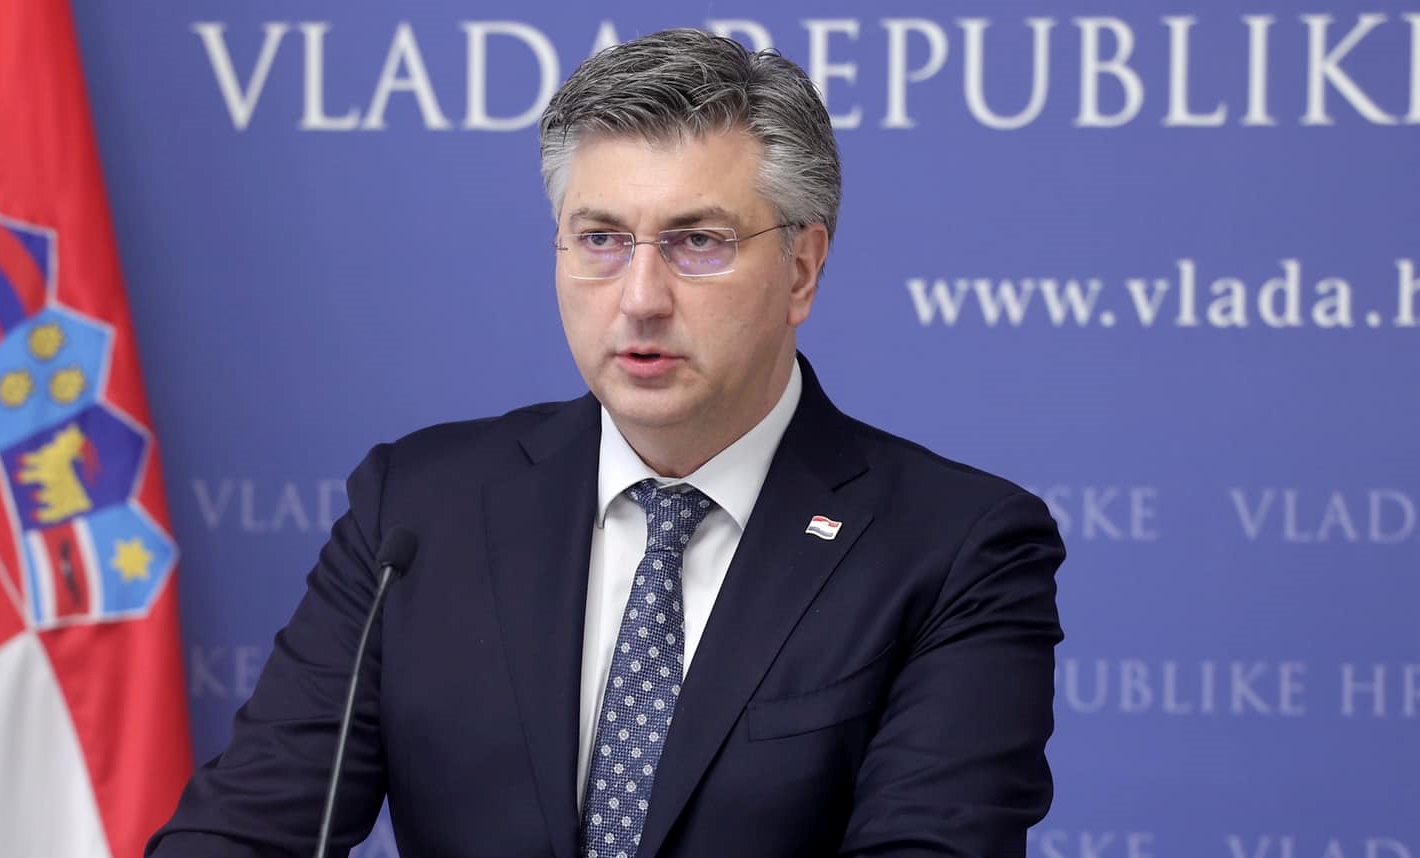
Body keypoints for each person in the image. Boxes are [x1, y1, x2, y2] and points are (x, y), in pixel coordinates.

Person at [147, 28, 1065, 858]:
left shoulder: (955, 547)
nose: (639, 298)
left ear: (801, 267)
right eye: (600, 239)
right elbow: (247, 828)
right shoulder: (417, 511)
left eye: (696, 242)